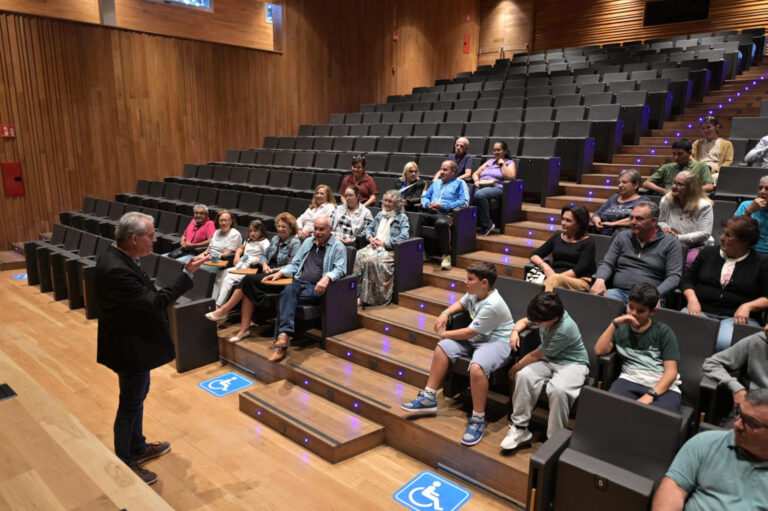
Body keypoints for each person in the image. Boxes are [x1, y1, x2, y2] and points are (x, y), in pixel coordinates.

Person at [95, 212, 209, 485]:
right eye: (150, 235)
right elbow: (156, 302)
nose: (155, 239)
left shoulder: (120, 257)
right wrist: (187, 274)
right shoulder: (116, 269)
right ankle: (125, 461)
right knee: (130, 403)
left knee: (137, 397)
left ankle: (138, 447)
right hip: (128, 347)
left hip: (132, 343)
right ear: (133, 238)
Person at [401, 262, 515, 446]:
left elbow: (470, 332)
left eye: (470, 279)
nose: (465, 282)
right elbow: (461, 304)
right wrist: (445, 313)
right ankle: (429, 397)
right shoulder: (474, 293)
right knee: (443, 348)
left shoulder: (493, 304)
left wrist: (444, 333)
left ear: (484, 282)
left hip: (497, 342)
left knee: (477, 368)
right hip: (478, 339)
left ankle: (478, 419)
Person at [651, 389, 768, 511]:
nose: (737, 425)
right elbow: (673, 488)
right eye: (739, 413)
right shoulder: (706, 442)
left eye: (751, 423)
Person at [500, 292, 589, 449]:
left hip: (573, 363)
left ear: (554, 318)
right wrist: (515, 332)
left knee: (559, 390)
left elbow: (535, 355)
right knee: (524, 376)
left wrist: (514, 367)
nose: (537, 323)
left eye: (539, 322)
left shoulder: (565, 328)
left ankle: (555, 441)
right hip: (549, 360)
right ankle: (520, 429)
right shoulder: (544, 314)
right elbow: (524, 322)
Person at [262, 215, 348, 362]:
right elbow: (295, 264)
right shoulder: (308, 242)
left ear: (330, 229)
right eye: (315, 228)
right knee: (288, 291)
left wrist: (326, 278)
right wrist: (280, 272)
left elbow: (340, 269)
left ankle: (281, 344)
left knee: (286, 298)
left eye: (322, 229)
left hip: (317, 288)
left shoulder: (338, 246)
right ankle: (284, 336)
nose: (318, 232)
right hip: (300, 282)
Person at [205, 213, 301, 340]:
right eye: (279, 226)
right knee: (247, 289)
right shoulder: (275, 239)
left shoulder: (295, 242)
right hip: (268, 273)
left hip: (282, 277)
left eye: (284, 226)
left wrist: (277, 269)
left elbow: (295, 265)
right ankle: (243, 330)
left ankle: (224, 310)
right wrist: (265, 264)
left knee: (247, 280)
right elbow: (264, 256)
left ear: (291, 228)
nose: (280, 229)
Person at [682, 216, 768, 351]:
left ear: (744, 241)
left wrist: (748, 306)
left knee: (724, 344)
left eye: (729, 236)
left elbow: (766, 297)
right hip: (701, 310)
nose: (722, 238)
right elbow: (687, 280)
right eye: (722, 233)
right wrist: (692, 299)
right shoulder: (708, 253)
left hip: (735, 318)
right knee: (681, 332)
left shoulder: (761, 262)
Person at [595, 283, 682, 412]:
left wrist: (651, 394)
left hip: (662, 386)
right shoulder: (620, 328)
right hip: (630, 379)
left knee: (658, 419)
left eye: (640, 311)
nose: (633, 313)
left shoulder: (663, 332)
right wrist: (615, 323)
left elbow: (671, 372)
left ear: (652, 311)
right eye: (630, 307)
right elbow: (600, 350)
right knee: (611, 410)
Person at [591, 202, 683, 305]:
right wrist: (600, 280)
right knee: (598, 302)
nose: (633, 222)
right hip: (619, 293)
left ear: (654, 221)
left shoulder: (670, 243)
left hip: (649, 297)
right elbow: (607, 262)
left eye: (639, 219)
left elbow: (674, 276)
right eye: (631, 218)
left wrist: (656, 294)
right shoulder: (622, 237)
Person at [354, 190, 411, 306]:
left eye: (390, 201)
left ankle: (371, 297)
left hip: (390, 250)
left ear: (397, 204)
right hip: (374, 245)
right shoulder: (380, 214)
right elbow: (369, 228)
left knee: (371, 260)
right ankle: (356, 293)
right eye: (385, 200)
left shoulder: (402, 217)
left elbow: (404, 236)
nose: (386, 203)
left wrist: (384, 243)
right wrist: (370, 238)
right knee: (358, 255)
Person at [703, 323, 768, 414]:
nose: (766, 328)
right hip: (751, 408)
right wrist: (737, 388)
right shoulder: (756, 341)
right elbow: (712, 363)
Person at [530, 204, 596, 292]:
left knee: (554, 280)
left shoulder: (588, 242)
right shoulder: (557, 236)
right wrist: (546, 267)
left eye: (568, 221)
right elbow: (534, 255)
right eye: (563, 219)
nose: (563, 223)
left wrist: (555, 277)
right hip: (553, 276)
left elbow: (579, 270)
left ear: (579, 224)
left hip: (579, 280)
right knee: (534, 280)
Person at [421, 160, 470, 271]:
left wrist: (443, 206)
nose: (441, 172)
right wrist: (428, 204)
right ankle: (425, 252)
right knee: (416, 218)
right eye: (441, 169)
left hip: (448, 214)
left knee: (441, 223)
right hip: (431, 212)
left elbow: (464, 202)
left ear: (454, 171)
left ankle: (446, 255)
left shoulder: (460, 183)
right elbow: (424, 197)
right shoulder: (436, 183)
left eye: (445, 169)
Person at [658, 171, 714, 265]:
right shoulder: (666, 200)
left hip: (696, 246)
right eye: (674, 182)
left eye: (680, 184)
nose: (674, 187)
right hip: (671, 242)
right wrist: (666, 230)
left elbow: (705, 234)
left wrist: (678, 237)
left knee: (689, 261)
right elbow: (660, 221)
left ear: (691, 188)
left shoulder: (704, 206)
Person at [213, 219, 270, 308]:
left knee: (229, 279)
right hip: (241, 265)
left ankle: (219, 305)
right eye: (250, 231)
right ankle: (214, 299)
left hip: (252, 269)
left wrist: (255, 261)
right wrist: (237, 256)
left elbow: (266, 255)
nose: (252, 233)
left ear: (261, 231)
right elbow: (240, 248)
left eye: (255, 231)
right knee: (221, 273)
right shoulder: (248, 240)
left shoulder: (264, 242)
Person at [471, 140, 517, 236]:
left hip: (498, 188)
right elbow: (476, 173)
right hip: (482, 185)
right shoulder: (490, 162)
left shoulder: (509, 163)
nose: (496, 152)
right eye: (494, 150)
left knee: (480, 194)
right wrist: (476, 181)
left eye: (498, 150)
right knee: (468, 193)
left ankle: (487, 224)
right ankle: (469, 225)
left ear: (505, 151)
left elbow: (511, 177)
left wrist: (502, 164)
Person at [642, 138, 715, 195]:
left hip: (690, 199)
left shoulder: (701, 166)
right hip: (669, 199)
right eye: (674, 154)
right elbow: (646, 183)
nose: (676, 157)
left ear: (689, 152)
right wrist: (663, 191)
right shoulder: (667, 167)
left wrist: (688, 191)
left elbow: (709, 187)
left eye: (680, 154)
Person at [592, 169, 649, 236]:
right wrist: (597, 221)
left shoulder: (643, 201)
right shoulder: (613, 198)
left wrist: (614, 224)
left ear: (635, 185)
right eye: (619, 182)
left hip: (624, 236)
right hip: (603, 234)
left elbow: (636, 220)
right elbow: (597, 213)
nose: (620, 185)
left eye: (624, 182)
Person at [691, 116, 734, 184]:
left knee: (715, 178)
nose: (706, 131)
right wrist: (698, 167)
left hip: (715, 170)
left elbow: (728, 161)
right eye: (703, 128)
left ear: (716, 127)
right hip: (699, 168)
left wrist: (716, 170)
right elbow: (690, 156)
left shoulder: (727, 144)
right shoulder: (697, 143)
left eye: (708, 127)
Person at [735, 175, 768, 253]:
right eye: (760, 188)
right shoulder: (746, 205)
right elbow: (732, 230)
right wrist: (748, 212)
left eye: (767, 189)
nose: (762, 192)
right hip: (748, 251)